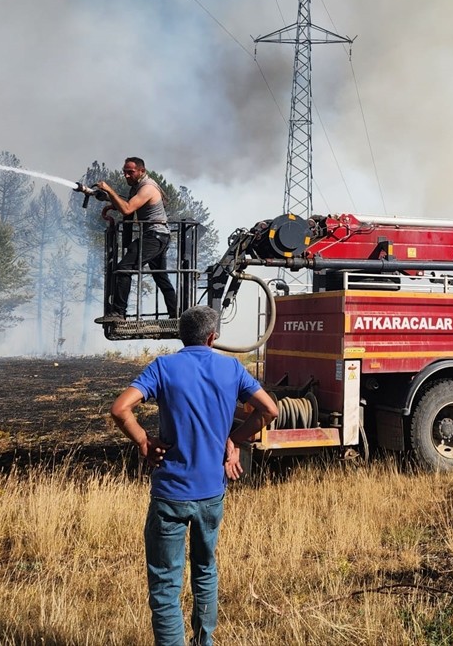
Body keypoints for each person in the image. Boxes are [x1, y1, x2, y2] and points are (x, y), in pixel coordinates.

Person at [110, 305, 279, 646]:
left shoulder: (163, 367)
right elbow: (270, 409)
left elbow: (120, 408)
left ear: (180, 335)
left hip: (170, 494)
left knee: (165, 583)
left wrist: (144, 441)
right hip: (210, 494)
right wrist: (234, 439)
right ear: (213, 336)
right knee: (205, 570)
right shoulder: (232, 368)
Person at [94, 157, 178, 322]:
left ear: (142, 171)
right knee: (160, 276)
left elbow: (127, 209)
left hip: (155, 236)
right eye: (124, 172)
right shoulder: (138, 187)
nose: (126, 175)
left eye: (130, 172)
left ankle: (118, 313)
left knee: (124, 268)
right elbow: (128, 205)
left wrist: (109, 190)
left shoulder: (147, 188)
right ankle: (176, 313)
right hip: (157, 236)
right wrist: (109, 199)